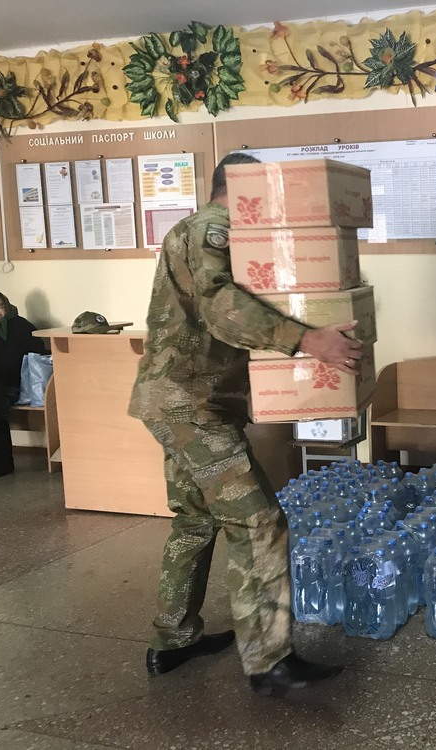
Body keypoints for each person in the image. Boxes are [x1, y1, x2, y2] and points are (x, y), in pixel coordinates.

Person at [128, 153, 363, 697]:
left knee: (195, 520)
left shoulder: (196, 230)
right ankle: (268, 661)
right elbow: (220, 305)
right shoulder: (214, 227)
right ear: (240, 186)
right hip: (193, 406)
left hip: (177, 400)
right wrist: (308, 340)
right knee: (259, 521)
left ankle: (174, 639)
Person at [0, 290, 46, 478]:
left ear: (6, 305)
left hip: (11, 383)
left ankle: (2, 464)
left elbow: (35, 356)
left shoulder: (21, 326)